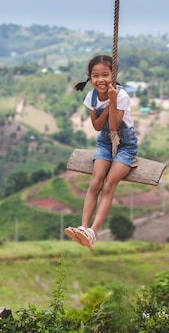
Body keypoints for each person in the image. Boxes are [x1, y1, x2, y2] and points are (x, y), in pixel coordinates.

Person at [64, 54, 138, 249]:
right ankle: (83, 227)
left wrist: (112, 101)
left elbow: (114, 126)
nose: (101, 80)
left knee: (108, 185)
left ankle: (93, 232)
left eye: (105, 74)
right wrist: (106, 107)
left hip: (125, 144)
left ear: (113, 75)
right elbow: (98, 126)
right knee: (95, 182)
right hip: (105, 142)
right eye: (95, 76)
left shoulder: (121, 95)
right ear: (90, 77)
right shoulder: (92, 97)